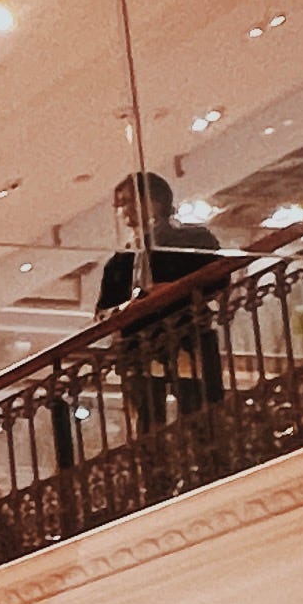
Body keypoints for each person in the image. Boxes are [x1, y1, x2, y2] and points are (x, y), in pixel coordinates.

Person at [97, 170, 232, 433]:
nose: (123, 211)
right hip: (139, 347)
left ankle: (210, 448)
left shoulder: (192, 239)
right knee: (148, 423)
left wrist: (172, 290)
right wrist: (129, 307)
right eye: (120, 204)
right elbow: (103, 313)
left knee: (200, 411)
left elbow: (218, 277)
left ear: (154, 200)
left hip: (188, 334)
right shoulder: (120, 261)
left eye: (128, 201)